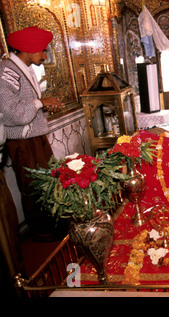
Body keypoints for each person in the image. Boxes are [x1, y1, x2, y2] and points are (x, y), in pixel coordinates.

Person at [0, 26, 64, 241]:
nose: (45, 56)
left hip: (34, 137)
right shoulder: (7, 71)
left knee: (48, 183)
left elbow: (25, 105)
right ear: (28, 49)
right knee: (34, 187)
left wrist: (42, 106)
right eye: (42, 51)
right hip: (23, 142)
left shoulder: (23, 69)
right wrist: (39, 102)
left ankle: (54, 225)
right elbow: (11, 112)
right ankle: (43, 232)